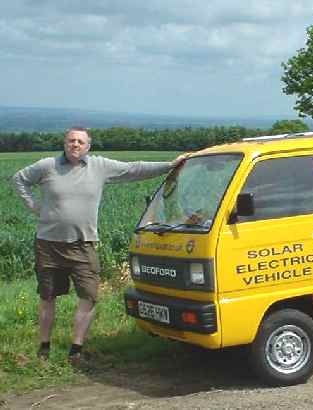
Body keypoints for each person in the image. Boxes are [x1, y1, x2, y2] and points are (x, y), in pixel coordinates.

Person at [12, 127, 188, 363]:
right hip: (49, 245)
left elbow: (133, 169)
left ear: (88, 146)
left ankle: (76, 350)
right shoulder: (47, 166)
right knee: (47, 297)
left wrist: (168, 166)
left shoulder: (100, 166)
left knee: (90, 296)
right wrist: (34, 206)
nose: (75, 145)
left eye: (80, 141)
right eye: (71, 141)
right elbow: (19, 179)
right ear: (64, 143)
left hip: (84, 245)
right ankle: (43, 348)